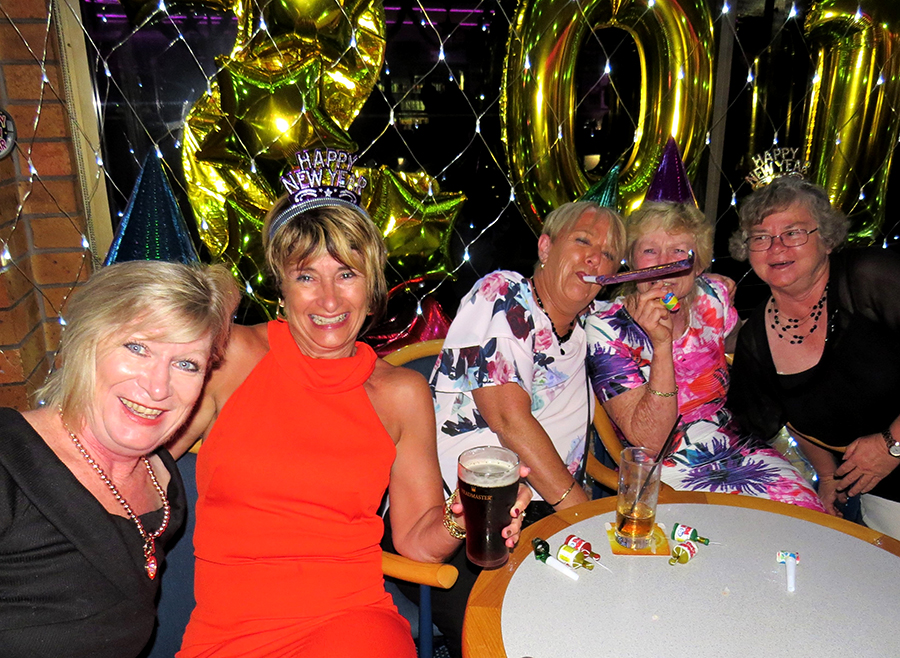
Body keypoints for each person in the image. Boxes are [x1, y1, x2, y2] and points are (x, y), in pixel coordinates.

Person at [174, 171, 531, 658]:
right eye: (306, 276)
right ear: (281, 285)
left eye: (346, 274)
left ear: (372, 285)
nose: (328, 299)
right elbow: (140, 456)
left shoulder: (401, 393)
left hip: (351, 622)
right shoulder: (231, 356)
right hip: (231, 630)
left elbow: (416, 542)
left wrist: (460, 518)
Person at [411, 200, 624, 657]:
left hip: (537, 514)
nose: (595, 259)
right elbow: (508, 418)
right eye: (583, 241)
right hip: (455, 516)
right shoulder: (503, 294)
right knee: (513, 636)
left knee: (604, 616)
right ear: (545, 247)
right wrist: (580, 511)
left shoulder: (587, 333)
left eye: (608, 255)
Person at [0, 260, 235, 657]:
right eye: (137, 347)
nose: (158, 387)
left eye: (186, 364)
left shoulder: (162, 485)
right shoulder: (8, 465)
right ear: (84, 343)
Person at [585, 201, 824, 510]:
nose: (664, 264)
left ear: (697, 264)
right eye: (649, 251)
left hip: (738, 447)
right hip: (666, 466)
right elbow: (652, 443)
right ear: (629, 261)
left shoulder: (713, 296)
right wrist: (661, 346)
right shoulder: (607, 328)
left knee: (807, 515)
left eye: (678, 252)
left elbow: (745, 346)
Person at [728, 176, 900, 535]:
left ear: (827, 239)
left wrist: (891, 444)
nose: (776, 248)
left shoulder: (871, 277)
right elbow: (793, 418)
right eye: (761, 237)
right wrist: (825, 475)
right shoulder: (756, 339)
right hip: (878, 494)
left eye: (793, 232)